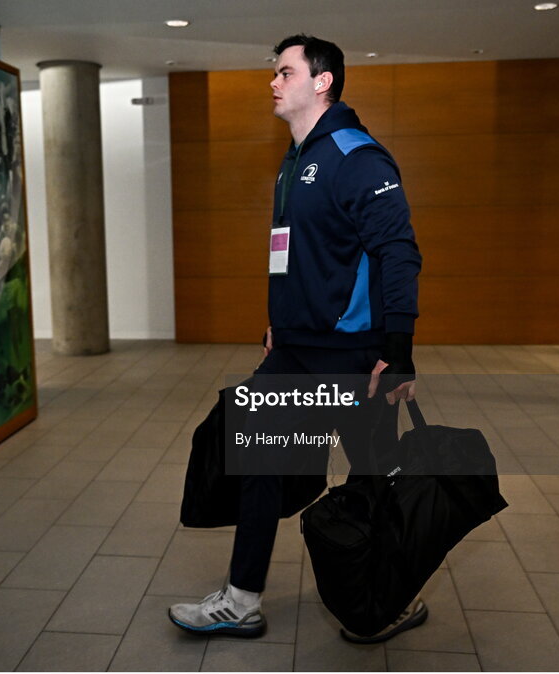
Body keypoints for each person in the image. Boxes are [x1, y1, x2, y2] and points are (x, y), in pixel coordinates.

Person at [168, 35, 422, 643]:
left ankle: (389, 600)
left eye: (286, 72)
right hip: (293, 351)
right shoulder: (294, 158)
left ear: (322, 81)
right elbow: (297, 256)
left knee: (371, 479)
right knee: (258, 459)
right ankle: (241, 599)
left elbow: (398, 254)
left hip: (353, 355)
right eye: (275, 72)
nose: (274, 82)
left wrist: (399, 351)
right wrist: (279, 322)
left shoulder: (357, 156)